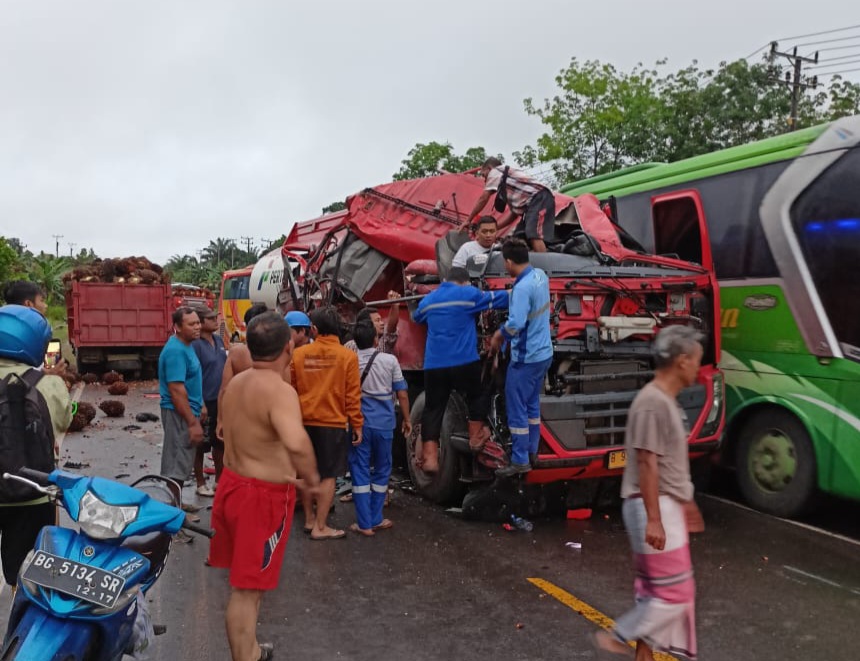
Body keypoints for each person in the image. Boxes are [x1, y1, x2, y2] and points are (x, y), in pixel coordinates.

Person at [209, 311, 321, 661]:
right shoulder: (279, 391)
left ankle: (252, 650)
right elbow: (297, 442)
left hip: (231, 486)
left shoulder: (238, 383)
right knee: (247, 590)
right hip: (260, 498)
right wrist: (312, 479)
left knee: (245, 584)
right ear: (289, 346)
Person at [593, 325, 704, 661]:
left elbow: (666, 465)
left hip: (662, 506)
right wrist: (655, 520)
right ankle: (621, 634)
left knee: (654, 591)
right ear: (682, 361)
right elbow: (646, 463)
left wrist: (686, 503)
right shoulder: (653, 402)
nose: (699, 367)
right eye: (697, 360)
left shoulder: (662, 400)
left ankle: (642, 652)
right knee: (675, 592)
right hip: (651, 508)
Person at [0, 305, 72, 586]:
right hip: (32, 492)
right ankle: (25, 627)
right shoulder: (47, 383)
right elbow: (64, 422)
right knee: (27, 575)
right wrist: (56, 380)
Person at [412, 266, 508, 473]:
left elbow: (417, 317)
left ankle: (430, 459)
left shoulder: (429, 299)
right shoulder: (469, 294)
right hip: (463, 362)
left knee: (433, 408)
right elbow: (501, 299)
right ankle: (475, 437)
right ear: (465, 281)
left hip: (434, 365)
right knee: (478, 393)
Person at [291, 306, 362, 540]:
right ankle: (321, 527)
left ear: (314, 329)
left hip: (303, 422)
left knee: (305, 472)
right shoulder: (347, 357)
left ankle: (310, 519)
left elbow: (291, 389)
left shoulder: (299, 355)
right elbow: (352, 395)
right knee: (329, 475)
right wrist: (357, 425)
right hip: (332, 424)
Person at [490, 239, 553, 477]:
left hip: (526, 358)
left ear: (508, 262)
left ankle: (519, 460)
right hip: (544, 353)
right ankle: (532, 452)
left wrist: (498, 335)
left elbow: (515, 323)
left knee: (516, 408)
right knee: (531, 405)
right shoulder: (540, 276)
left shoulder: (522, 287)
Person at [347, 320, 411, 536]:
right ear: (375, 339)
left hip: (360, 425)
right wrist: (407, 419)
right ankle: (376, 518)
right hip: (385, 425)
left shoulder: (351, 361)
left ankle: (364, 523)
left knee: (360, 469)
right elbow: (401, 393)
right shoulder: (390, 360)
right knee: (383, 469)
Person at [158, 307, 205, 498]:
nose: (197, 327)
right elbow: (176, 390)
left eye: (198, 323)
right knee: (176, 462)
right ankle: (172, 511)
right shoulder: (175, 351)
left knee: (183, 459)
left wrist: (200, 405)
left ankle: (175, 505)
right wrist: (192, 423)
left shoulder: (186, 345)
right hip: (178, 413)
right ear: (177, 327)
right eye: (191, 324)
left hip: (188, 410)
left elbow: (190, 381)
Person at [465, 157, 555, 253]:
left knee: (533, 233)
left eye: (484, 175)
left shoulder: (496, 171)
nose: (484, 180)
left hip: (539, 197)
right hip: (532, 205)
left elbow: (483, 198)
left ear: (489, 168)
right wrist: (495, 228)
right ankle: (523, 265)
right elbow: (513, 215)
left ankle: (543, 266)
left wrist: (468, 220)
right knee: (518, 238)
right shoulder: (508, 185)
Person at [216, 303, 268, 441]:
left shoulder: (237, 353)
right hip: (270, 416)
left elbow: (225, 390)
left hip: (243, 415)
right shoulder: (282, 353)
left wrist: (221, 419)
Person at [192, 308, 228, 492]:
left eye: (216, 317)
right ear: (201, 322)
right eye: (211, 318)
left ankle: (219, 480)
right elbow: (193, 375)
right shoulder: (196, 345)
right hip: (203, 400)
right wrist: (201, 403)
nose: (216, 321)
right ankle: (200, 483)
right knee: (200, 444)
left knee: (219, 442)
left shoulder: (219, 340)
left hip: (220, 400)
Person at [3, 280, 67, 376]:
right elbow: (51, 367)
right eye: (41, 301)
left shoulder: (3, 324)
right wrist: (49, 375)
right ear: (28, 304)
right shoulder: (43, 331)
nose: (45, 305)